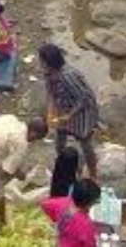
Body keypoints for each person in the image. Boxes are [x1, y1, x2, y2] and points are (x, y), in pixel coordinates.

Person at [39, 43, 100, 178]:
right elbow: (50, 93)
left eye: (42, 60)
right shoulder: (48, 72)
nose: (41, 63)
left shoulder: (68, 76)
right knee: (60, 140)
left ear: (49, 61)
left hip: (81, 113)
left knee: (85, 142)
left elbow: (84, 98)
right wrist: (51, 110)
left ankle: (93, 174)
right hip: (63, 109)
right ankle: (68, 166)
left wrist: (69, 115)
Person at [39, 178, 100, 247]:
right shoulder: (86, 225)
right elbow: (90, 244)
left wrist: (52, 222)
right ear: (90, 203)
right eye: (96, 201)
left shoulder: (63, 202)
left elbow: (44, 205)